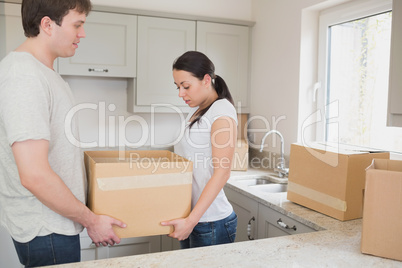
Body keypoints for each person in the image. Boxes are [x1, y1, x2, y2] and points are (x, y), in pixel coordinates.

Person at [0, 0, 126, 266]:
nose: (83, 33)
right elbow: (34, 175)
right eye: (77, 25)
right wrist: (92, 221)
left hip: (57, 224)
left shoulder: (44, 74)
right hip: (47, 229)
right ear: (47, 24)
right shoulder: (24, 76)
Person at [161, 51, 238, 248]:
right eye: (178, 87)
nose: (180, 93)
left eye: (186, 86)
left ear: (206, 80)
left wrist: (191, 221)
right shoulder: (198, 111)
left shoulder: (222, 112)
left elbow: (222, 173)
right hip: (194, 219)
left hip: (211, 222)